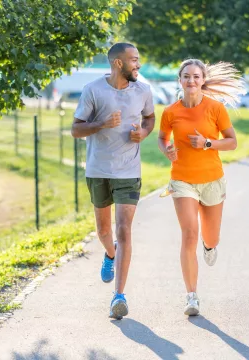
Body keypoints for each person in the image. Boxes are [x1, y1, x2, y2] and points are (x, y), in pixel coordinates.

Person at [71, 43, 155, 319]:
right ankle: (110, 254)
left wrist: (142, 133)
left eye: (139, 60)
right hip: (98, 169)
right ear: (118, 63)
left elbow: (150, 118)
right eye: (133, 60)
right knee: (105, 232)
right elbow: (76, 129)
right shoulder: (93, 90)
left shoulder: (143, 91)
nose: (138, 65)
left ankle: (118, 296)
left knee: (124, 230)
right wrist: (101, 124)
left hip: (129, 170)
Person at [158, 59, 246, 316]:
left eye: (196, 76)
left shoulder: (216, 108)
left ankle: (210, 246)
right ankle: (192, 296)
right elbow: (163, 138)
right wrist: (167, 151)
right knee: (189, 234)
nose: (191, 81)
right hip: (182, 180)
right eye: (186, 76)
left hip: (212, 180)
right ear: (180, 80)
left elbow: (232, 143)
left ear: (203, 79)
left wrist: (207, 143)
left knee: (210, 237)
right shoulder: (171, 112)